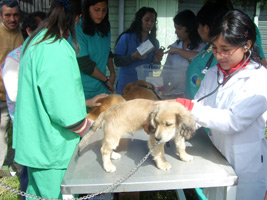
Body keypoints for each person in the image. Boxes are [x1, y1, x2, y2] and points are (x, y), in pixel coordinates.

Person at [154, 9, 267, 200]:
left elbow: (234, 121)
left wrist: (187, 107)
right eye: (215, 48)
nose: (219, 55)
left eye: (226, 50)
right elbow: (199, 105)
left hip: (244, 163)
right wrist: (173, 128)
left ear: (247, 45)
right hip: (214, 156)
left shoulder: (259, 78)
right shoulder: (215, 72)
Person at [12, 0, 107, 198]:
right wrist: (92, 131)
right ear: (78, 18)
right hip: (52, 147)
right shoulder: (55, 47)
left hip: (36, 140)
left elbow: (47, 93)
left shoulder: (37, 40)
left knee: (37, 193)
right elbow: (64, 113)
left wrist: (85, 103)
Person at [1, 11, 46, 199]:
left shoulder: (44, 55)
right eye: (44, 31)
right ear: (29, 31)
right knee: (28, 171)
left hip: (44, 125)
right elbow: (14, 94)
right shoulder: (15, 58)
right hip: (26, 125)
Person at [68, 0, 115, 99]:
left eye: (104, 10)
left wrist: (112, 73)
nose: (100, 14)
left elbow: (107, 52)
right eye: (96, 10)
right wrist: (105, 80)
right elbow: (84, 63)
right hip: (83, 89)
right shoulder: (77, 27)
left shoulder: (105, 27)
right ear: (87, 9)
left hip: (101, 87)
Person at [185, 1, 229, 100]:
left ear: (206, 28)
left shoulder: (221, 57)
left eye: (198, 26)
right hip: (193, 106)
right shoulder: (208, 48)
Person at [114, 7, 163, 94]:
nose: (149, 24)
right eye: (146, 20)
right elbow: (117, 61)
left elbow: (155, 68)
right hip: (126, 86)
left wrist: (157, 61)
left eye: (152, 21)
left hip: (144, 86)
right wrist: (133, 56)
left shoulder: (154, 42)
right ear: (139, 20)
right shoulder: (126, 38)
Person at [0, 0, 24, 177]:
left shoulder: (24, 33)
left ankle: (18, 164)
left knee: (19, 133)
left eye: (15, 14)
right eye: (8, 15)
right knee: (1, 133)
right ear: (1, 16)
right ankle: (2, 168)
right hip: (1, 94)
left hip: (20, 97)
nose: (12, 19)